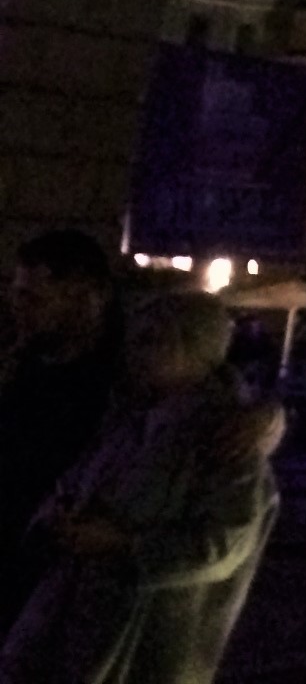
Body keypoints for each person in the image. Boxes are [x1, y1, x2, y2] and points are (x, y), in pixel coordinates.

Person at [0, 289, 282, 684]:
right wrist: (57, 519)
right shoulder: (132, 416)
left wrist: (123, 545)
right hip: (70, 625)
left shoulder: (224, 438)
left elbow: (226, 541)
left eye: (153, 339)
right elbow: (76, 480)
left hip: (145, 647)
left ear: (196, 346)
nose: (136, 351)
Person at [0, 235, 119, 635]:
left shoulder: (124, 372)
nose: (18, 308)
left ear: (88, 297)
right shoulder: (21, 354)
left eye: (34, 298)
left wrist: (266, 418)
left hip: (60, 561)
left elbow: (209, 401)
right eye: (17, 294)